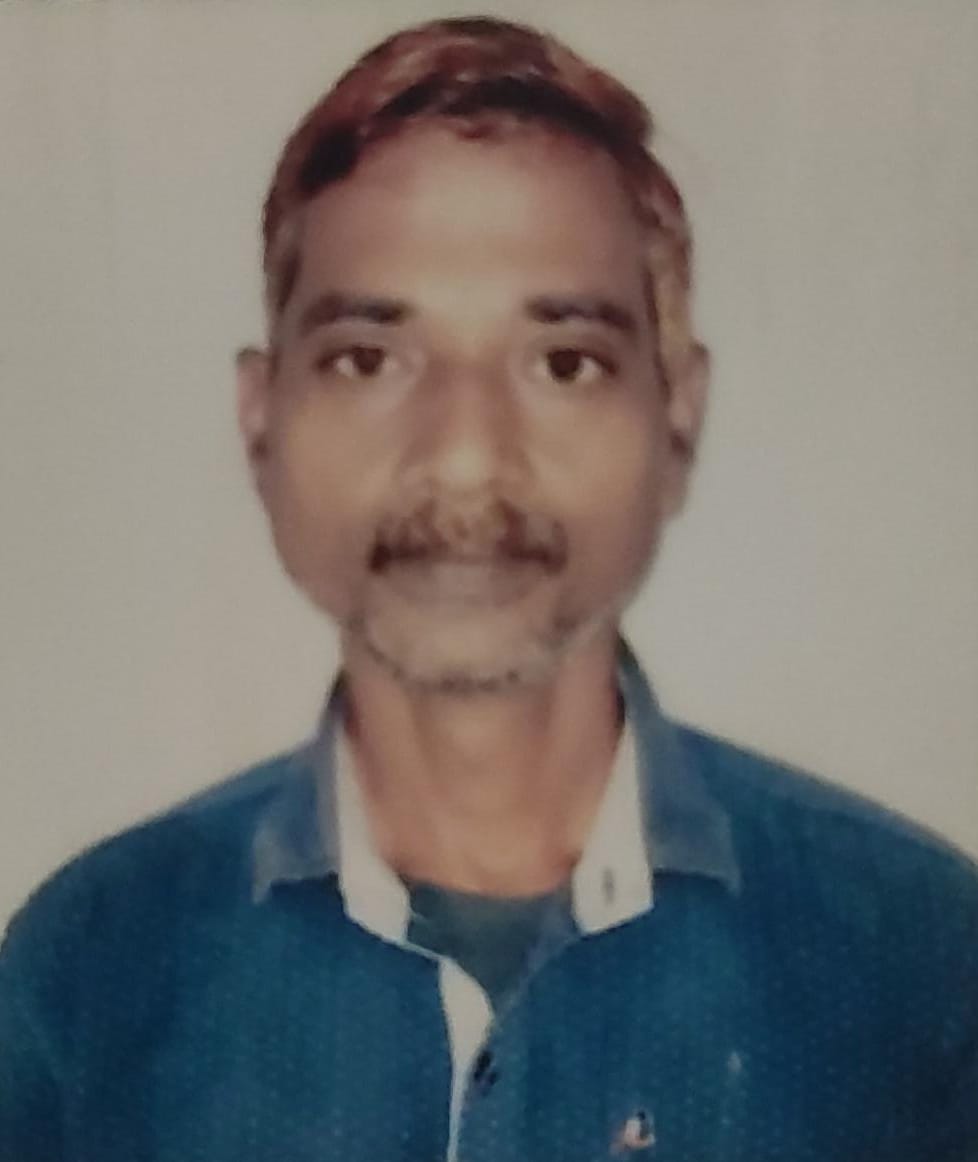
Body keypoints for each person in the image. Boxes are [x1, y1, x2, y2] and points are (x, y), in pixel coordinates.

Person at [1, 15, 976, 1162]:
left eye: (564, 362)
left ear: (678, 419)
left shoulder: (926, 965)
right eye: (369, 358)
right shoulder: (85, 973)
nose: (465, 456)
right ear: (261, 423)